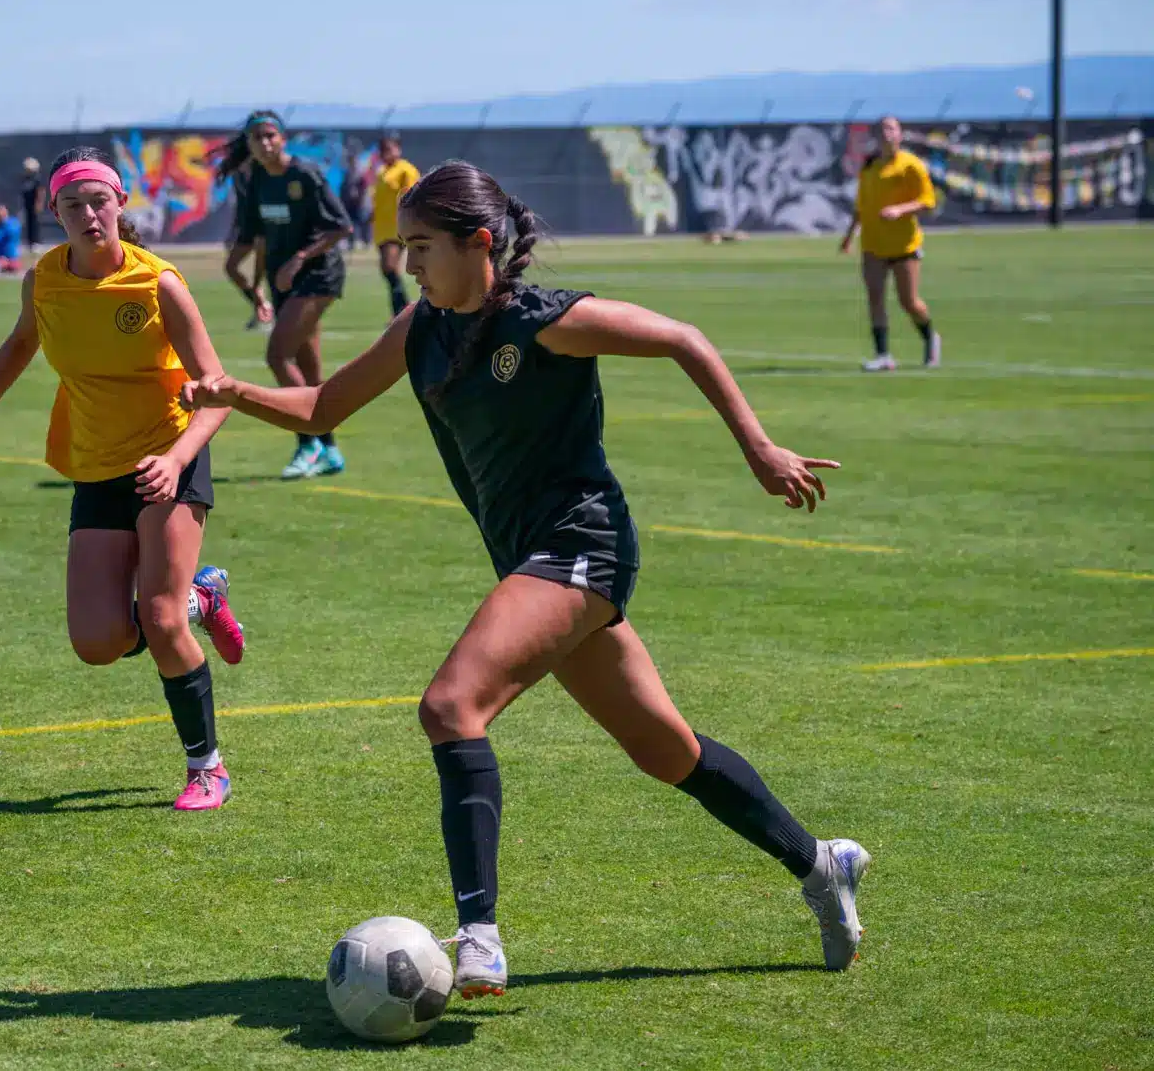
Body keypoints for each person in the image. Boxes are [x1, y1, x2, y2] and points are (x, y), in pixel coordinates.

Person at [184, 160, 871, 995]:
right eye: (403, 247)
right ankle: (819, 862)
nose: (409, 264)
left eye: (423, 246)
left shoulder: (548, 322)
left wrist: (759, 447)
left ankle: (478, 936)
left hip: (581, 546)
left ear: (480, 243)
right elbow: (325, 408)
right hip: (530, 560)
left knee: (450, 706)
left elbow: (683, 338)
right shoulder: (420, 328)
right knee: (666, 751)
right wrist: (233, 392)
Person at [0, 146, 245, 812]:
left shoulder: (158, 283)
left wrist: (178, 458)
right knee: (97, 642)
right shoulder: (44, 280)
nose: (88, 214)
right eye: (72, 204)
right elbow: (21, 343)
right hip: (97, 464)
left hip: (168, 456)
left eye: (99, 200)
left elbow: (217, 394)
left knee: (158, 621)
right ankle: (204, 598)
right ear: (55, 212)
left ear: (121, 204)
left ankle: (206, 767)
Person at [219, 111, 352, 480]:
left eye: (270, 135)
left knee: (278, 355)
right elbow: (251, 238)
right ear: (249, 145)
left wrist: (299, 258)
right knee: (309, 370)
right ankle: (331, 451)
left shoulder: (305, 174)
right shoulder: (254, 181)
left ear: (283, 139)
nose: (265, 143)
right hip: (283, 283)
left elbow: (341, 226)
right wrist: (247, 284)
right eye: (257, 137)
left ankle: (308, 442)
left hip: (319, 276)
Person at [840, 116, 941, 371]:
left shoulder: (911, 166)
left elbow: (928, 201)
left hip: (904, 245)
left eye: (891, 128)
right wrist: (849, 235)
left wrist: (901, 209)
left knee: (909, 301)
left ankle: (930, 337)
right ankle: (883, 355)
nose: (887, 133)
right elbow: (861, 205)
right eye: (882, 129)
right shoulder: (870, 166)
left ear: (900, 134)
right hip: (873, 244)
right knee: (875, 298)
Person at [221, 160, 274, 332]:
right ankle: (262, 306)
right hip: (249, 228)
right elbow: (242, 206)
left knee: (266, 273)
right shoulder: (237, 174)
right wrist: (233, 230)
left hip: (268, 227)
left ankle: (269, 313)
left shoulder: (264, 170)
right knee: (231, 268)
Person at [371, 134, 420, 317]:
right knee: (387, 270)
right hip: (381, 227)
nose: (386, 153)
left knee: (390, 267)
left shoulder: (406, 170)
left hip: (397, 227)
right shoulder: (382, 171)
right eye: (383, 150)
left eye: (390, 149)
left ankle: (403, 310)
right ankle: (401, 310)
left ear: (398, 149)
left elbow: (412, 196)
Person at [21, 158, 45, 250]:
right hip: (27, 204)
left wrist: (39, 203)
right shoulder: (25, 179)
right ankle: (29, 242)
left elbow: (41, 191)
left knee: (35, 223)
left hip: (34, 204)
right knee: (28, 222)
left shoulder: (37, 179)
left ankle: (36, 241)